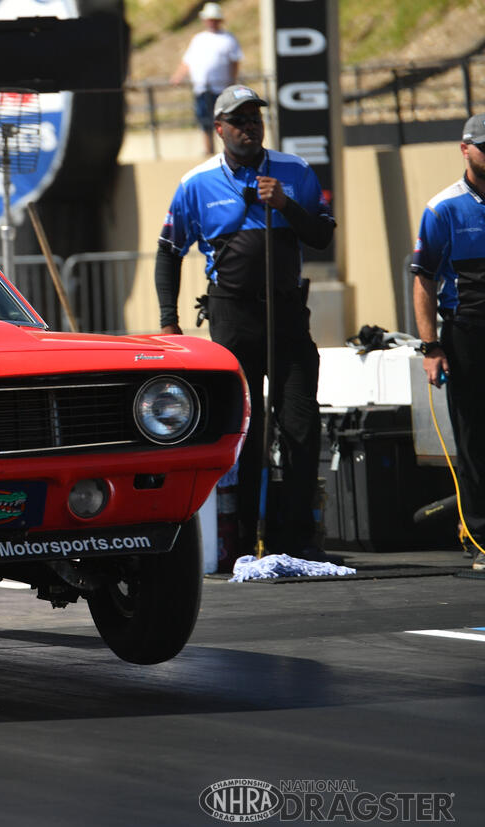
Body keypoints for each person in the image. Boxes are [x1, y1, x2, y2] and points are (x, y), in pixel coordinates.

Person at [155, 85, 335, 560]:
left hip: (288, 313)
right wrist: (168, 322)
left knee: (300, 423)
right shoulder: (197, 183)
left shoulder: (294, 172)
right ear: (220, 129)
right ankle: (244, 536)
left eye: (256, 118)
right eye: (239, 120)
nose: (250, 127)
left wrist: (287, 206)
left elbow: (320, 235)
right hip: (233, 315)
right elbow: (169, 251)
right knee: (246, 427)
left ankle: (296, 539)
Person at [411, 114, 485, 569]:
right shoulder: (444, 207)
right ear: (465, 149)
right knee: (475, 437)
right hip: (467, 333)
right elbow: (422, 278)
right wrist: (430, 346)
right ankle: (479, 535)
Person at [170, 2, 242, 157]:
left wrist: (232, 81)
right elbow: (187, 60)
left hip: (220, 88)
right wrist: (178, 76)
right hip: (202, 88)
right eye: (209, 19)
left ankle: (228, 149)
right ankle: (209, 150)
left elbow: (235, 62)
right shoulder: (199, 39)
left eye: (214, 19)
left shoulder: (228, 38)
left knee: (225, 119)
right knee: (204, 120)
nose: (212, 22)